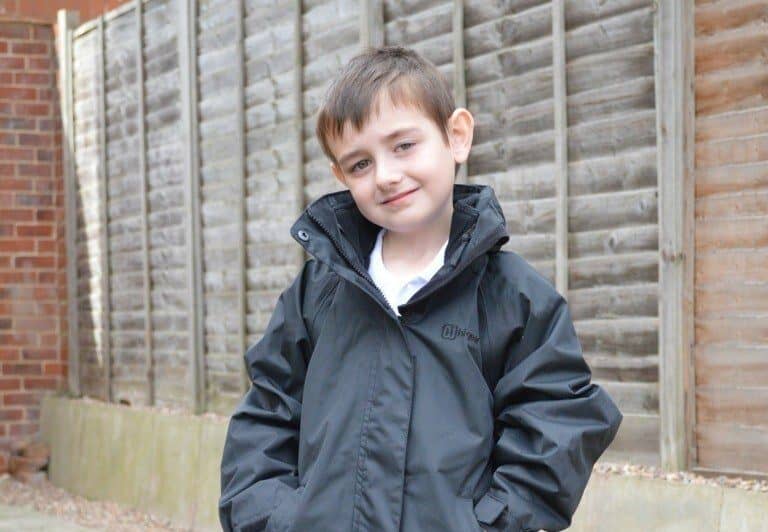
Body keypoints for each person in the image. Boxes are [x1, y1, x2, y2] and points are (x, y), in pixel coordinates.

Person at [218, 45, 623, 532]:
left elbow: (557, 424)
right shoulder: (316, 294)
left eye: (404, 145)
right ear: (341, 177)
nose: (387, 175)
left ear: (456, 136)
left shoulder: (511, 297)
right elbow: (267, 415)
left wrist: (493, 524)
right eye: (360, 164)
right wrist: (279, 520)